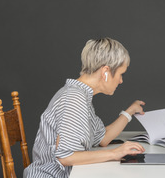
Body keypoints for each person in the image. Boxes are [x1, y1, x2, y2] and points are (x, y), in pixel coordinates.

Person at [24, 37, 146, 178]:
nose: (121, 80)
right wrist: (115, 153)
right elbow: (66, 157)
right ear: (105, 71)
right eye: (120, 74)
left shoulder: (81, 94)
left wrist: (129, 111)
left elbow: (103, 138)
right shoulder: (74, 99)